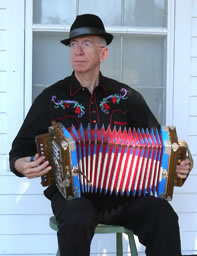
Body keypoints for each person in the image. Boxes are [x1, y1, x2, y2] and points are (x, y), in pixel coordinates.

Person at [9, 14, 191, 256]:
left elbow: (164, 147)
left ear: (103, 54)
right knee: (78, 216)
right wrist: (21, 164)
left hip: (122, 195)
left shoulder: (126, 97)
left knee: (163, 214)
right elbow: (19, 150)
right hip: (71, 196)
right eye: (73, 45)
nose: (78, 51)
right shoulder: (51, 99)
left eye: (86, 44)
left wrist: (181, 164)